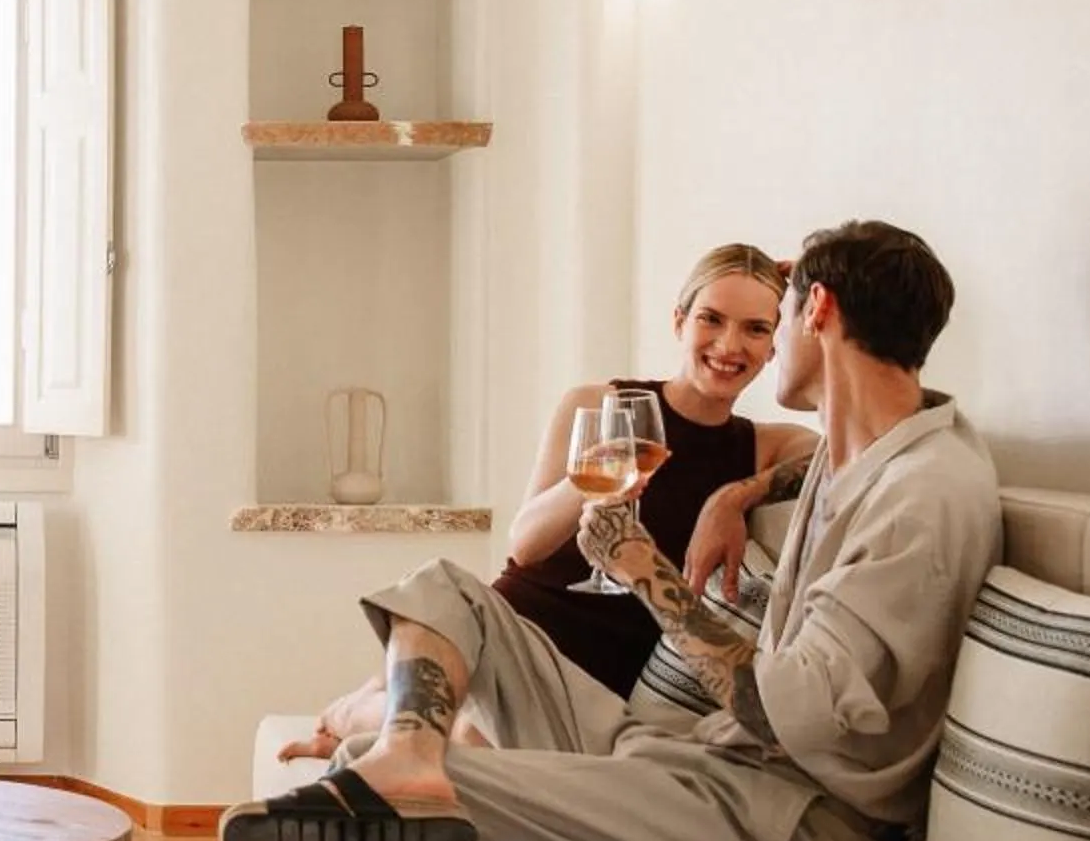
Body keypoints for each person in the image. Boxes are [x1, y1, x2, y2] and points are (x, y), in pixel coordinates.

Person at [91, 221, 1001, 841]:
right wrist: (738, 494)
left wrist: (646, 571)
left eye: (773, 317)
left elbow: (794, 715)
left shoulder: (923, 498)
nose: (758, 342)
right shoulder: (860, 449)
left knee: (370, 801)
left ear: (816, 311)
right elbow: (780, 467)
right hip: (700, 757)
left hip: (785, 815)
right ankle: (409, 744)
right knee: (444, 586)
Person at [291, 243, 816, 760]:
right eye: (711, 319)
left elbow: (855, 439)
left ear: (777, 344)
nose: (729, 345)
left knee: (470, 740)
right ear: (679, 322)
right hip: (527, 623)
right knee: (467, 732)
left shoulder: (768, 446)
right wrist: (586, 482)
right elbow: (525, 546)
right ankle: (355, 714)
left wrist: (731, 497)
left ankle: (368, 715)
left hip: (610, 668)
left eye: (757, 328)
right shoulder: (597, 404)